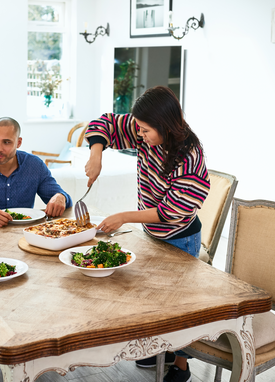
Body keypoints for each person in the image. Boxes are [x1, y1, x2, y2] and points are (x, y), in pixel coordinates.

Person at [84, 86, 210, 382]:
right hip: (151, 232)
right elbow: (104, 123)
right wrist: (97, 153)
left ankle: (181, 365)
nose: (139, 135)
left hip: (180, 236)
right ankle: (160, 350)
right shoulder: (144, 129)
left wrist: (124, 216)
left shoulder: (190, 157)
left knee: (179, 305)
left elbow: (169, 211)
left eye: (145, 131)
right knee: (154, 299)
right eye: (137, 129)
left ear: (165, 126)